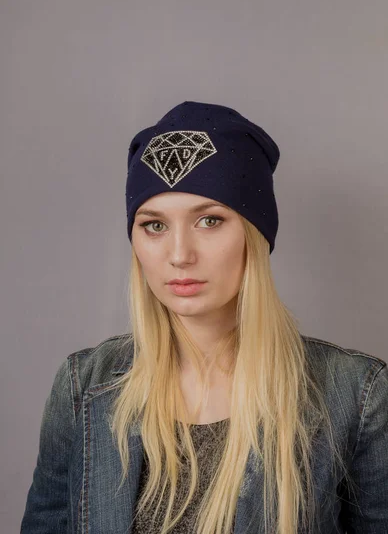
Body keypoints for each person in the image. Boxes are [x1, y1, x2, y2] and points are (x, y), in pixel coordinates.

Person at [20, 101, 388, 534]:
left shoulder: (357, 398)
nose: (179, 255)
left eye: (210, 220)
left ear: (256, 235)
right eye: (154, 225)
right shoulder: (82, 386)